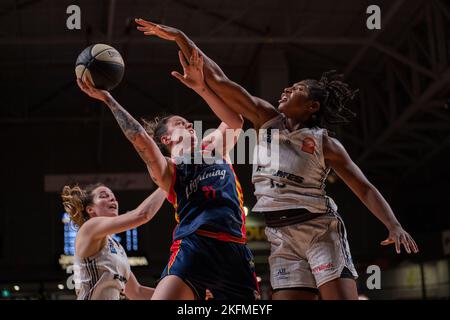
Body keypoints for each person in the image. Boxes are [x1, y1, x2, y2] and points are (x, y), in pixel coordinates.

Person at [135, 18, 419, 300]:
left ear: (312, 106)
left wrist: (392, 224)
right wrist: (182, 38)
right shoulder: (266, 118)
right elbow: (219, 80)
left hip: (318, 228)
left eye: (296, 89)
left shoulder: (325, 143)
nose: (286, 90)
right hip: (280, 237)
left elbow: (365, 187)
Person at [76, 51, 259, 300]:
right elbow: (140, 139)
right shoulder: (169, 169)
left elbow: (235, 120)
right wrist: (109, 100)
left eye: (189, 123)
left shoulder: (213, 147)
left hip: (234, 246)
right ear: (166, 139)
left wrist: (202, 87)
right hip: (194, 244)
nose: (189, 125)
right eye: (181, 123)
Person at [61, 183, 166, 300]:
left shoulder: (117, 247)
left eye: (114, 198)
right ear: (90, 209)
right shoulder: (89, 227)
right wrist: (165, 184)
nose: (112, 199)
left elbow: (137, 292)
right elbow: (142, 215)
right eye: (104, 196)